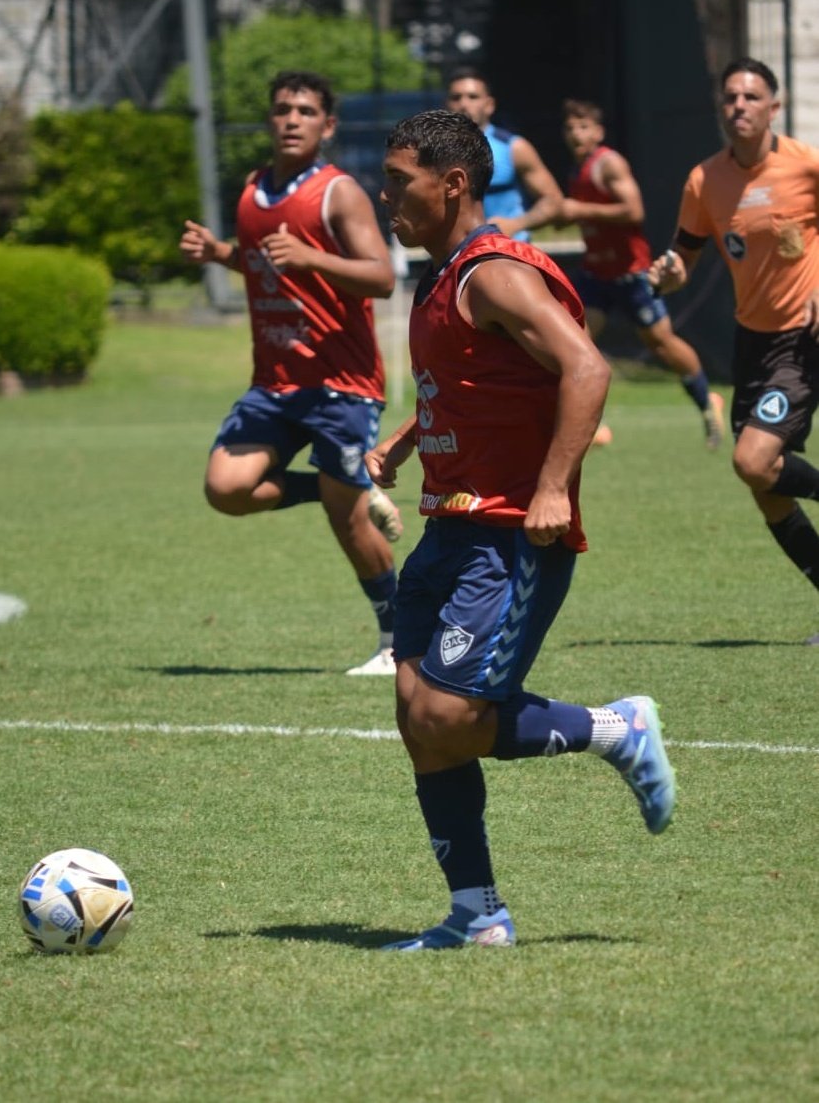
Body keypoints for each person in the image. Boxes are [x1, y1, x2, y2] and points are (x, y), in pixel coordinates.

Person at [368, 109, 676, 951]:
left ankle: (618, 728)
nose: (386, 195)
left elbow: (587, 365)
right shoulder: (441, 276)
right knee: (413, 710)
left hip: (509, 537)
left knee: (451, 715)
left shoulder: (493, 272)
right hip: (446, 528)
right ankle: (476, 913)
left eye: (400, 181)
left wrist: (551, 489)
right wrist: (402, 440)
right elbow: (472, 383)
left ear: (454, 182)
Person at [180, 69, 403, 675]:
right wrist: (220, 254)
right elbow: (260, 266)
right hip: (275, 382)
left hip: (342, 383)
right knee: (226, 489)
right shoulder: (253, 191)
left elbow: (382, 278)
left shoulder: (339, 193)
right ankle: (347, 482)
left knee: (347, 522)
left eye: (306, 111)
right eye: (282, 109)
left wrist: (311, 257)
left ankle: (395, 639)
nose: (291, 119)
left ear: (327, 125)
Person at [650, 58, 819, 645]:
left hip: (803, 339)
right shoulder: (704, 181)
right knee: (767, 491)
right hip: (753, 341)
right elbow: (684, 259)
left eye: (751, 97)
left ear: (776, 105)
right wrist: (669, 273)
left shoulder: (806, 165)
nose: (739, 106)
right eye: (730, 97)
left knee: (752, 461)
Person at [558, 98, 724, 449]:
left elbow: (634, 211)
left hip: (631, 275)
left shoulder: (609, 164)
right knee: (575, 343)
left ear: (599, 132)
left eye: (584, 126)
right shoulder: (576, 169)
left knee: (661, 344)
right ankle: (587, 426)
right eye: (571, 128)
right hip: (596, 274)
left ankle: (707, 401)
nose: (576, 134)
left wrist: (579, 208)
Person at [445, 66, 563, 241]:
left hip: (509, 252)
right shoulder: (435, 152)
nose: (463, 104)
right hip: (458, 255)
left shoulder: (513, 147)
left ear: (489, 105)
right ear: (447, 104)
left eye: (473, 97)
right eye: (456, 98)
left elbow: (554, 201)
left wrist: (516, 224)